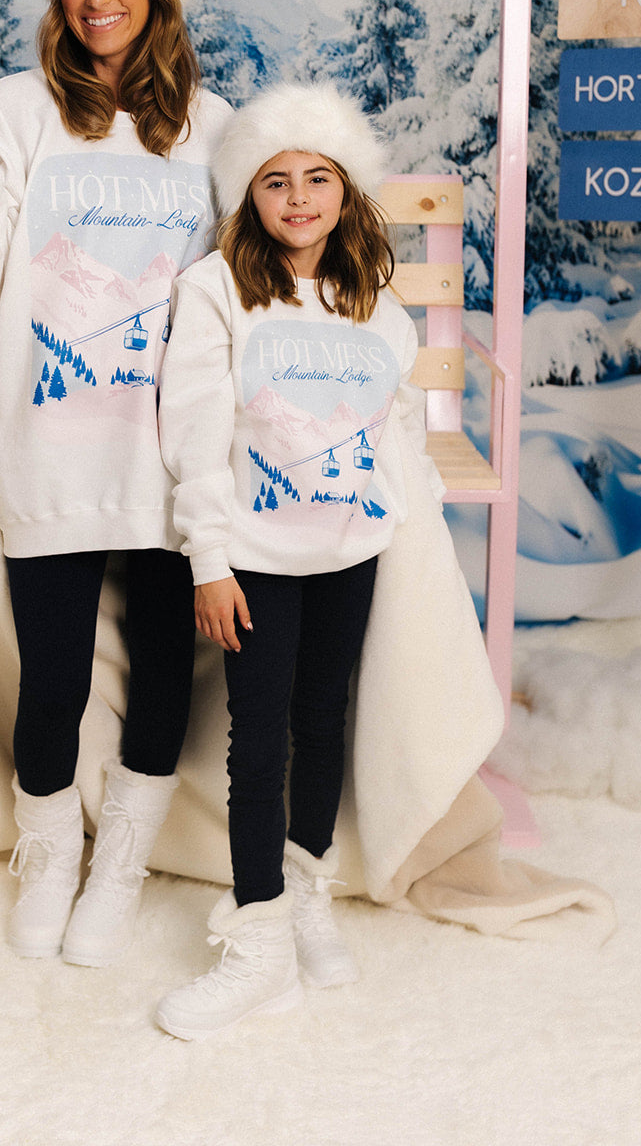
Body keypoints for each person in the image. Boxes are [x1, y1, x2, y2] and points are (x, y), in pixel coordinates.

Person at [0, 0, 231, 966]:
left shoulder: (216, 131)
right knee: (51, 673)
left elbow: (241, 292)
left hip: (167, 447)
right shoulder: (18, 108)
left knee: (163, 666)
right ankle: (49, 846)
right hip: (48, 432)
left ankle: (123, 861)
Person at [154, 79, 437, 1039]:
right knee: (257, 739)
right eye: (275, 181)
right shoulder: (215, 290)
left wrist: (405, 528)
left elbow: (398, 425)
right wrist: (209, 560)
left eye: (318, 178)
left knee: (324, 723)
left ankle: (308, 887)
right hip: (257, 559)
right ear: (248, 198)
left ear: (348, 193)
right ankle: (259, 940)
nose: (299, 198)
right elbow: (191, 433)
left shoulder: (376, 307)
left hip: (348, 549)